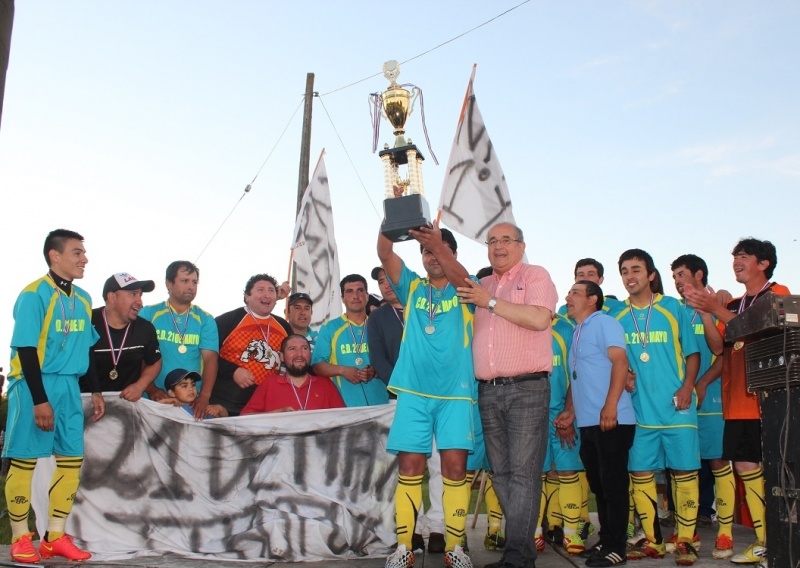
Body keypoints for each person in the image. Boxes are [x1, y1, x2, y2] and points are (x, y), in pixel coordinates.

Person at [457, 222, 558, 568]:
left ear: (520, 245)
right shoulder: (480, 284)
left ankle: (518, 557)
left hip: (527, 388)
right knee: (500, 474)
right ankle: (519, 553)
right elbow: (451, 270)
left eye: (506, 240)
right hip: (489, 391)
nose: (498, 246)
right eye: (492, 241)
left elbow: (539, 319)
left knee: (523, 474)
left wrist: (492, 302)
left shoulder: (534, 276)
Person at [683, 237, 789, 564]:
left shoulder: (778, 293)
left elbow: (759, 329)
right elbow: (718, 347)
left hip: (772, 400)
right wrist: (705, 313)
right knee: (745, 466)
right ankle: (765, 541)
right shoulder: (733, 304)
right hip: (737, 401)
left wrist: (715, 308)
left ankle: (780, 541)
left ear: (763, 263)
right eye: (734, 257)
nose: (736, 262)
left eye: (744, 256)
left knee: (778, 471)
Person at [378, 224, 477, 568]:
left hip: (455, 394)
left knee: (454, 469)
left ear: (451, 254)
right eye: (426, 252)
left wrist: (438, 244)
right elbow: (385, 253)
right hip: (414, 392)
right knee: (410, 468)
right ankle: (403, 546)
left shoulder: (467, 286)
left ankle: (456, 547)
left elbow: (462, 279)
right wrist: (391, 220)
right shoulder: (412, 286)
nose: (432, 257)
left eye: (438, 251)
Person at [4, 229, 105, 563]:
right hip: (34, 384)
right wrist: (38, 399)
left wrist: (95, 389)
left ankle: (54, 537)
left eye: (84, 253)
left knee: (72, 461)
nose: (84, 259)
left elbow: (87, 348)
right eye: (77, 252)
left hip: (69, 386)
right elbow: (27, 349)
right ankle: (21, 538)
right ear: (54, 255)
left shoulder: (85, 298)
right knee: (25, 459)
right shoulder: (34, 295)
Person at [613, 248, 700, 566]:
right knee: (640, 472)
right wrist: (625, 377)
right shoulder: (617, 317)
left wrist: (688, 386)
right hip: (639, 410)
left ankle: (687, 541)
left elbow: (692, 353)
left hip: (677, 405)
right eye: (624, 271)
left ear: (650, 274)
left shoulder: (673, 308)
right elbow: (615, 360)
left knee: (684, 471)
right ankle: (652, 540)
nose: (630, 276)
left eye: (636, 269)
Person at [555, 280, 635, 567]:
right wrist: (571, 412)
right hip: (589, 422)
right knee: (599, 485)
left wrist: (611, 405)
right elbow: (580, 379)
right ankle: (606, 539)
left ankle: (617, 548)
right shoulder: (577, 331)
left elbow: (620, 361)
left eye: (575, 293)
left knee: (613, 484)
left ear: (592, 299)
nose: (568, 297)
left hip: (613, 419)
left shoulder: (604, 323)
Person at [367, 265, 446, 554]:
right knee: (409, 468)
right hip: (400, 398)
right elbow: (379, 359)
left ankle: (438, 526)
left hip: (439, 397)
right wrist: (404, 387)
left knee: (439, 464)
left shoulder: (426, 303)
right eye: (380, 281)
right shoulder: (376, 318)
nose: (386, 284)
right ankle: (411, 528)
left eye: (390, 278)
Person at [670, 254, 731, 558]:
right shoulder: (674, 311)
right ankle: (687, 529)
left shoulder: (720, 304)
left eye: (682, 275)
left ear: (699, 274)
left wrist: (703, 383)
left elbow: (722, 352)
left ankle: (726, 533)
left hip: (712, 399)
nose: (679, 282)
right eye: (675, 277)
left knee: (718, 462)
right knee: (684, 466)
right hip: (683, 401)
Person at [139, 260, 219, 420]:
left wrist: (204, 397)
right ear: (169, 284)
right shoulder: (148, 314)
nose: (191, 286)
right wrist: (151, 388)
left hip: (189, 403)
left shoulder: (205, 319)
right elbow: (138, 356)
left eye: (194, 282)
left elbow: (210, 359)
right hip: (153, 400)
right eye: (184, 281)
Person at [209, 274, 292, 416]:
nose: (266, 295)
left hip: (266, 407)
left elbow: (293, 360)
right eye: (260, 290)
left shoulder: (284, 326)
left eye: (271, 291)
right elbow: (207, 357)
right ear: (247, 296)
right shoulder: (227, 320)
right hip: (227, 405)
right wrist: (233, 371)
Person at [79, 272, 162, 401]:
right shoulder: (86, 322)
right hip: (86, 404)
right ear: (112, 297)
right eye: (133, 294)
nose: (139, 301)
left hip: (126, 407)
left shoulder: (145, 328)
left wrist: (140, 386)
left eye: (140, 295)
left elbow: (155, 361)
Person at [311, 274, 388, 407]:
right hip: (344, 406)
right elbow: (317, 366)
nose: (356, 296)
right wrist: (343, 370)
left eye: (360, 290)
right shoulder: (330, 328)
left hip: (380, 405)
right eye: (349, 291)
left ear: (367, 296)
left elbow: (395, 361)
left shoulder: (381, 325)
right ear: (342, 298)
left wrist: (375, 372)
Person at [240, 335, 345, 414]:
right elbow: (245, 418)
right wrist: (275, 415)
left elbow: (344, 418)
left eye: (304, 349)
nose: (299, 354)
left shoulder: (325, 384)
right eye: (292, 349)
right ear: (281, 356)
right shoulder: (270, 383)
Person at [557, 258, 624, 317]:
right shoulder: (564, 310)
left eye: (591, 274)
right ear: (575, 280)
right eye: (581, 275)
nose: (585, 278)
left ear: (601, 280)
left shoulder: (617, 306)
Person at [159, 368, 228, 418]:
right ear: (172, 393)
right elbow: (152, 409)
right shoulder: (171, 407)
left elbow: (225, 419)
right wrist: (169, 400)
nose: (191, 389)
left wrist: (219, 408)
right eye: (184, 386)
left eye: (193, 385)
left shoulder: (201, 407)